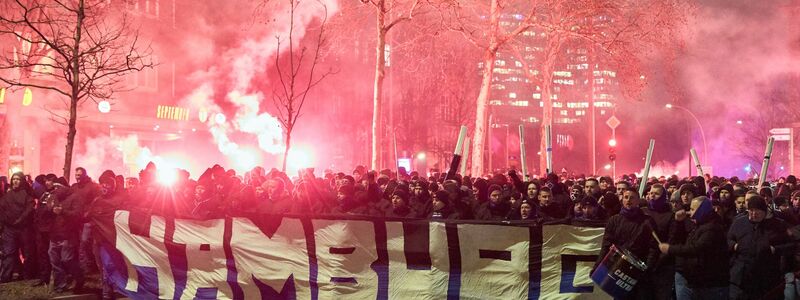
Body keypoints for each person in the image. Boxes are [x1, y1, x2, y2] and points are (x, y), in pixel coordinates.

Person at [595, 187, 658, 299]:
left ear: (638, 201)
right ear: (622, 199)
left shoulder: (647, 221)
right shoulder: (614, 220)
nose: (629, 200)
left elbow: (653, 247)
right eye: (626, 197)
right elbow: (606, 245)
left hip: (639, 272)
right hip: (619, 268)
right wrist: (598, 265)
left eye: (632, 198)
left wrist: (647, 268)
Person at [659, 197, 728, 299]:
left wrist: (670, 249)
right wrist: (679, 222)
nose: (689, 213)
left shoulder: (712, 228)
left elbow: (696, 248)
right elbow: (681, 239)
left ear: (702, 210)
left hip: (709, 283)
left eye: (692, 209)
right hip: (696, 279)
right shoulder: (701, 224)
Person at [728, 196, 794, 300]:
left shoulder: (777, 225)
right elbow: (728, 239)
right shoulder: (739, 222)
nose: (754, 214)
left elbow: (791, 245)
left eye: (757, 212)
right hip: (740, 276)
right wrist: (734, 246)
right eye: (751, 211)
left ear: (764, 211)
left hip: (766, 277)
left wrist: (775, 249)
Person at [0, 172, 36, 282]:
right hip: (9, 229)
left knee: (27, 253)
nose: (15, 181)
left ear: (21, 181)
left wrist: (19, 220)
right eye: (13, 179)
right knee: (9, 253)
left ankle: (27, 275)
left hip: (23, 228)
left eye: (18, 179)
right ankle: (6, 277)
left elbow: (29, 210)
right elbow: (2, 210)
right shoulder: (7, 196)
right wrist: (7, 222)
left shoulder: (26, 195)